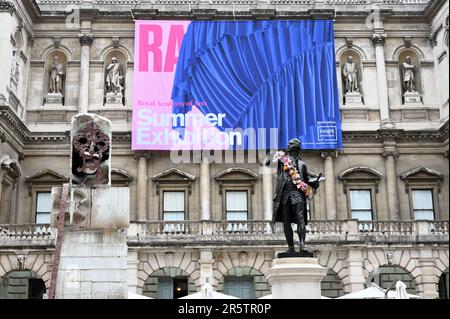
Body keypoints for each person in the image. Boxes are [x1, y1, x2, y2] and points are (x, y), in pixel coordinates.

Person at [265, 138, 320, 253]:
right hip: (284, 194)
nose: (288, 145)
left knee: (300, 220)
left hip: (297, 195)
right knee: (286, 221)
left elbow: (307, 180)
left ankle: (302, 244)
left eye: (290, 144)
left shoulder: (302, 165)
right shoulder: (282, 161)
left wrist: (315, 183)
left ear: (295, 148)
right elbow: (267, 163)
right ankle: (290, 247)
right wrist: (273, 153)